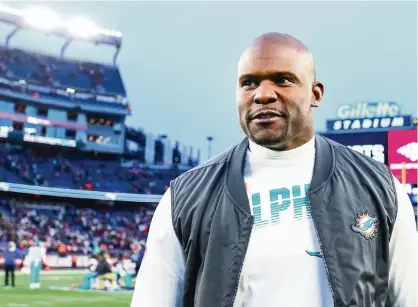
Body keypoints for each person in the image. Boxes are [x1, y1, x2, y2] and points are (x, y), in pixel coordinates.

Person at [131, 32, 418, 307]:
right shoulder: (185, 197)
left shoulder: (380, 187)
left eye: (283, 80)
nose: (263, 94)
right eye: (248, 83)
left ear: (315, 94)